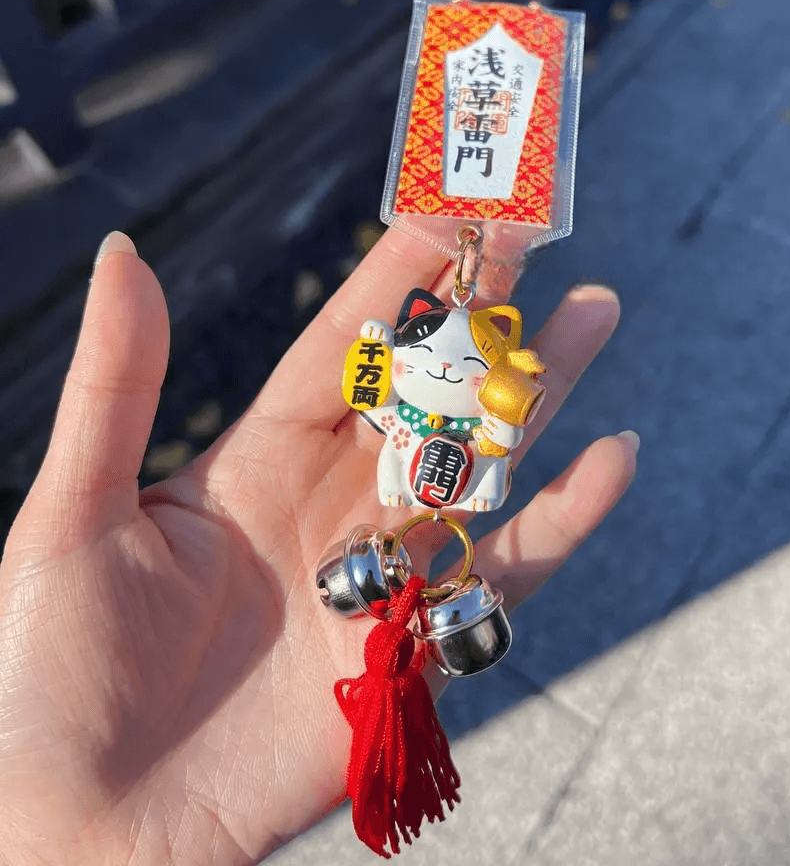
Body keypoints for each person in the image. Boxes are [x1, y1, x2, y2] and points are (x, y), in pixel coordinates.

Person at [0, 227, 637, 865]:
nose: (444, 371)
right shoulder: (402, 410)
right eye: (426, 359)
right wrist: (373, 358)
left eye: (465, 366)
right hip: (403, 470)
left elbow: (493, 437)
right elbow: (374, 402)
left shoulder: (481, 419)